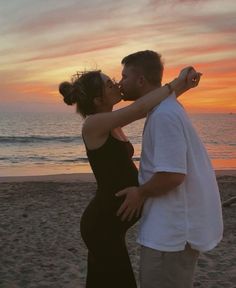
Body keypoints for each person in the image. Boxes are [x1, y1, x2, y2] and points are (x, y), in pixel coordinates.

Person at [58, 62, 200, 288]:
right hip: (102, 225)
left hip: (111, 224)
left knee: (100, 282)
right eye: (109, 83)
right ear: (98, 100)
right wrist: (174, 83)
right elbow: (139, 109)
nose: (116, 84)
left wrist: (183, 87)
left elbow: (150, 105)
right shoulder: (94, 124)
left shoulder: (112, 120)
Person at [116, 50, 223, 288]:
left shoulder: (164, 115)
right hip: (169, 231)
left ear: (141, 80)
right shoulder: (165, 107)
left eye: (124, 77)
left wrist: (140, 193)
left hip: (170, 235)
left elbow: (173, 175)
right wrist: (180, 83)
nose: (120, 83)